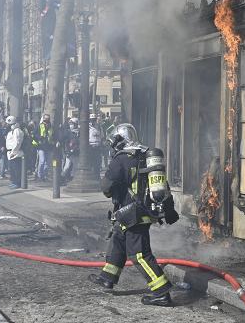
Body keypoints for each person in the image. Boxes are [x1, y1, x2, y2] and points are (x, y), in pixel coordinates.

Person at [88, 123, 179, 307]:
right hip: (141, 212)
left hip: (132, 214)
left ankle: (161, 292)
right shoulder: (146, 155)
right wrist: (169, 210)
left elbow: (106, 188)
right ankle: (108, 278)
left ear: (120, 140)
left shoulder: (121, 158)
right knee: (118, 240)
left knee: (139, 255)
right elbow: (163, 186)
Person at [5, 116, 25, 189]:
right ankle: (13, 181)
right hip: (10, 152)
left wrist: (13, 152)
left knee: (16, 169)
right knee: (12, 169)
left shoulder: (17, 131)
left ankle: (17, 183)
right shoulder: (11, 131)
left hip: (15, 152)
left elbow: (17, 142)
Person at [35, 113, 54, 181]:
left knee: (47, 163)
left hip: (49, 146)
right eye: (45, 118)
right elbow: (34, 135)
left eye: (48, 119)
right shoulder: (39, 126)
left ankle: (45, 175)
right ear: (43, 119)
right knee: (42, 161)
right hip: (41, 147)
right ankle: (40, 175)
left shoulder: (51, 127)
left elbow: (53, 135)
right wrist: (39, 139)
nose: (47, 120)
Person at [61, 118, 79, 182]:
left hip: (76, 151)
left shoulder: (79, 132)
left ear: (76, 124)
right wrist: (67, 150)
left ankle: (72, 177)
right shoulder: (68, 132)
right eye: (70, 124)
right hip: (69, 151)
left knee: (75, 165)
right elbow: (65, 142)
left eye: (72, 124)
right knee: (67, 165)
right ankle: (62, 177)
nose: (71, 125)